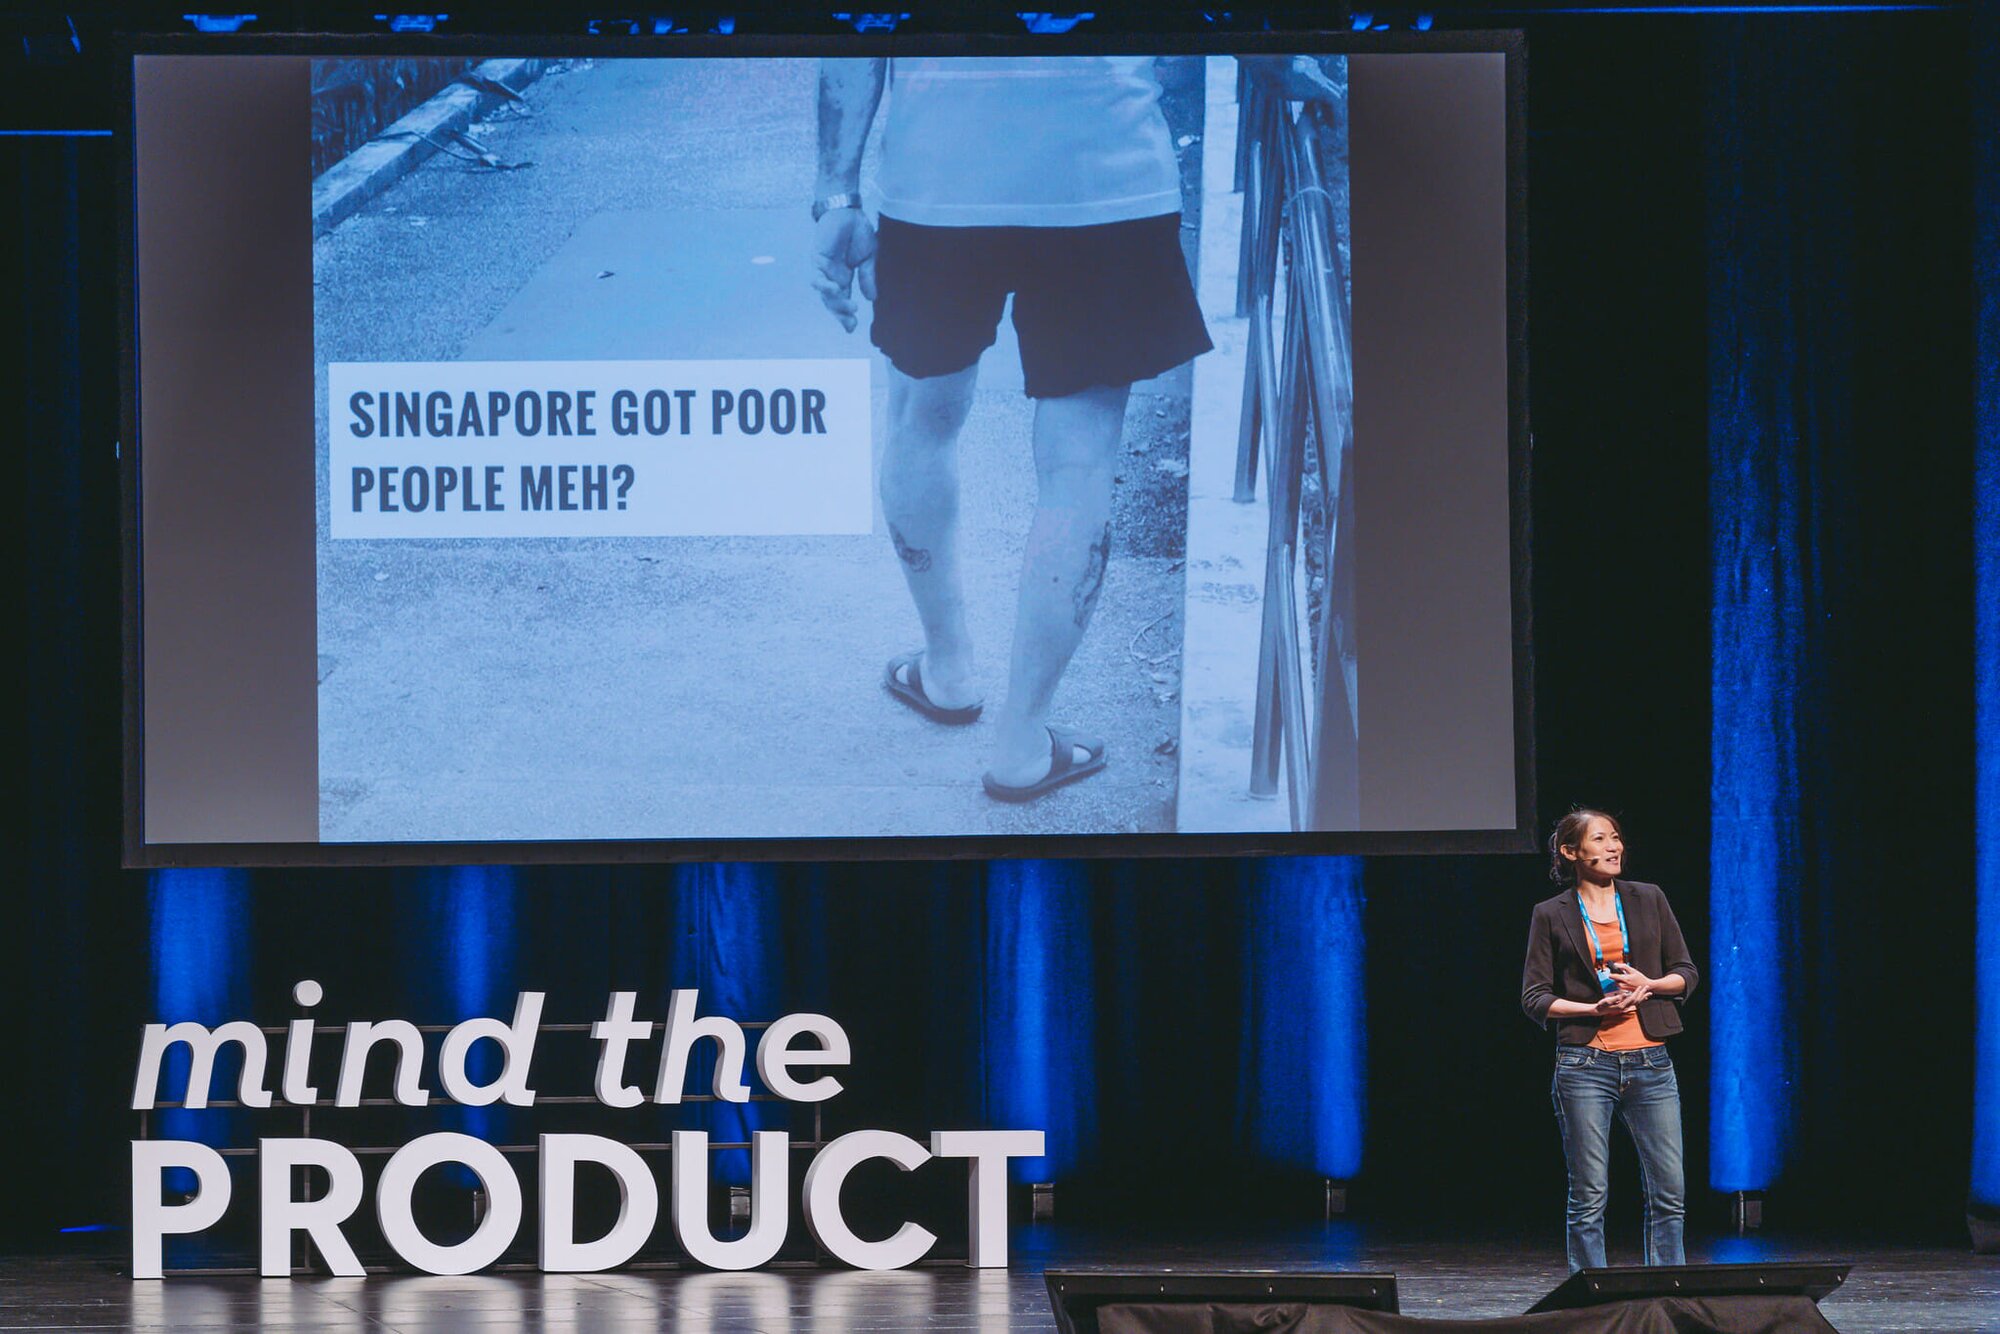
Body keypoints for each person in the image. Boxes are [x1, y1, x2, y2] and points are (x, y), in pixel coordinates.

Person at [809, 54, 1219, 802]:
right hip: (1106, 173)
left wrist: (836, 191)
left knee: (921, 415)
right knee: (1080, 459)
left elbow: (855, 33)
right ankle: (1024, 742)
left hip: (939, 178)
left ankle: (948, 670)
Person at [1520, 809, 1699, 1272]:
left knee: (1669, 1192)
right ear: (1571, 852)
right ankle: (1590, 1299)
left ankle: (1666, 1291)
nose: (1614, 846)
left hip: (1651, 1063)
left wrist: (1651, 983)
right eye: (1600, 839)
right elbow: (1535, 998)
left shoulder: (1648, 898)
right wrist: (1592, 1010)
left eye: (1616, 837)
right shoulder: (1550, 914)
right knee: (1589, 1195)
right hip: (1585, 1065)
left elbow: (1686, 974)